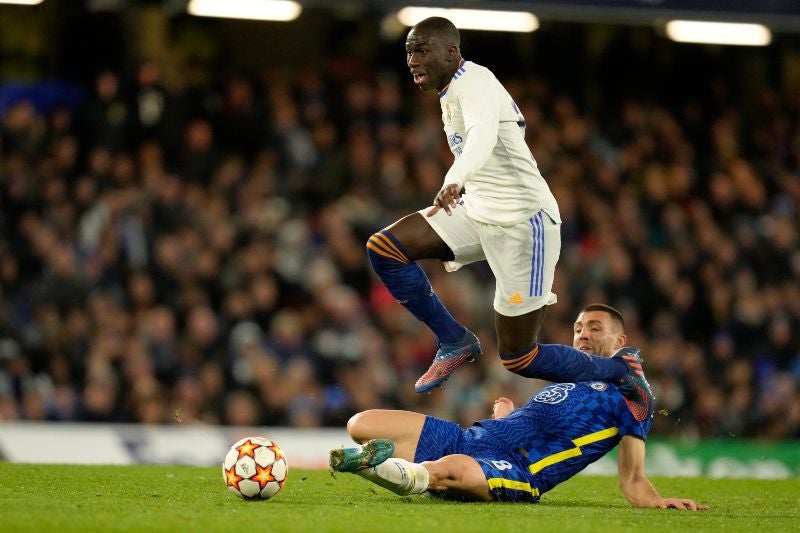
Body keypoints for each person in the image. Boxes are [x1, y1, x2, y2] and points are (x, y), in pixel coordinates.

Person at [329, 305, 709, 510]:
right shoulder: (572, 380)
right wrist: (505, 417)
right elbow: (539, 424)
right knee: (362, 423)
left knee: (447, 470)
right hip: (475, 436)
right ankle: (392, 468)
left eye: (595, 327)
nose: (582, 334)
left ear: (620, 338)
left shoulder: (631, 394)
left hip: (519, 468)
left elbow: (632, 478)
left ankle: (380, 468)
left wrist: (659, 501)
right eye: (578, 327)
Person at [366, 16, 563, 393]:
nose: (412, 61)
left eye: (421, 50)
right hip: (479, 210)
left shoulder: (474, 83)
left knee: (519, 356)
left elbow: (482, 135)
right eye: (409, 52)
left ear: (452, 52)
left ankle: (616, 373)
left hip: (525, 223)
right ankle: (454, 340)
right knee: (386, 247)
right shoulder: (452, 90)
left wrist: (454, 179)